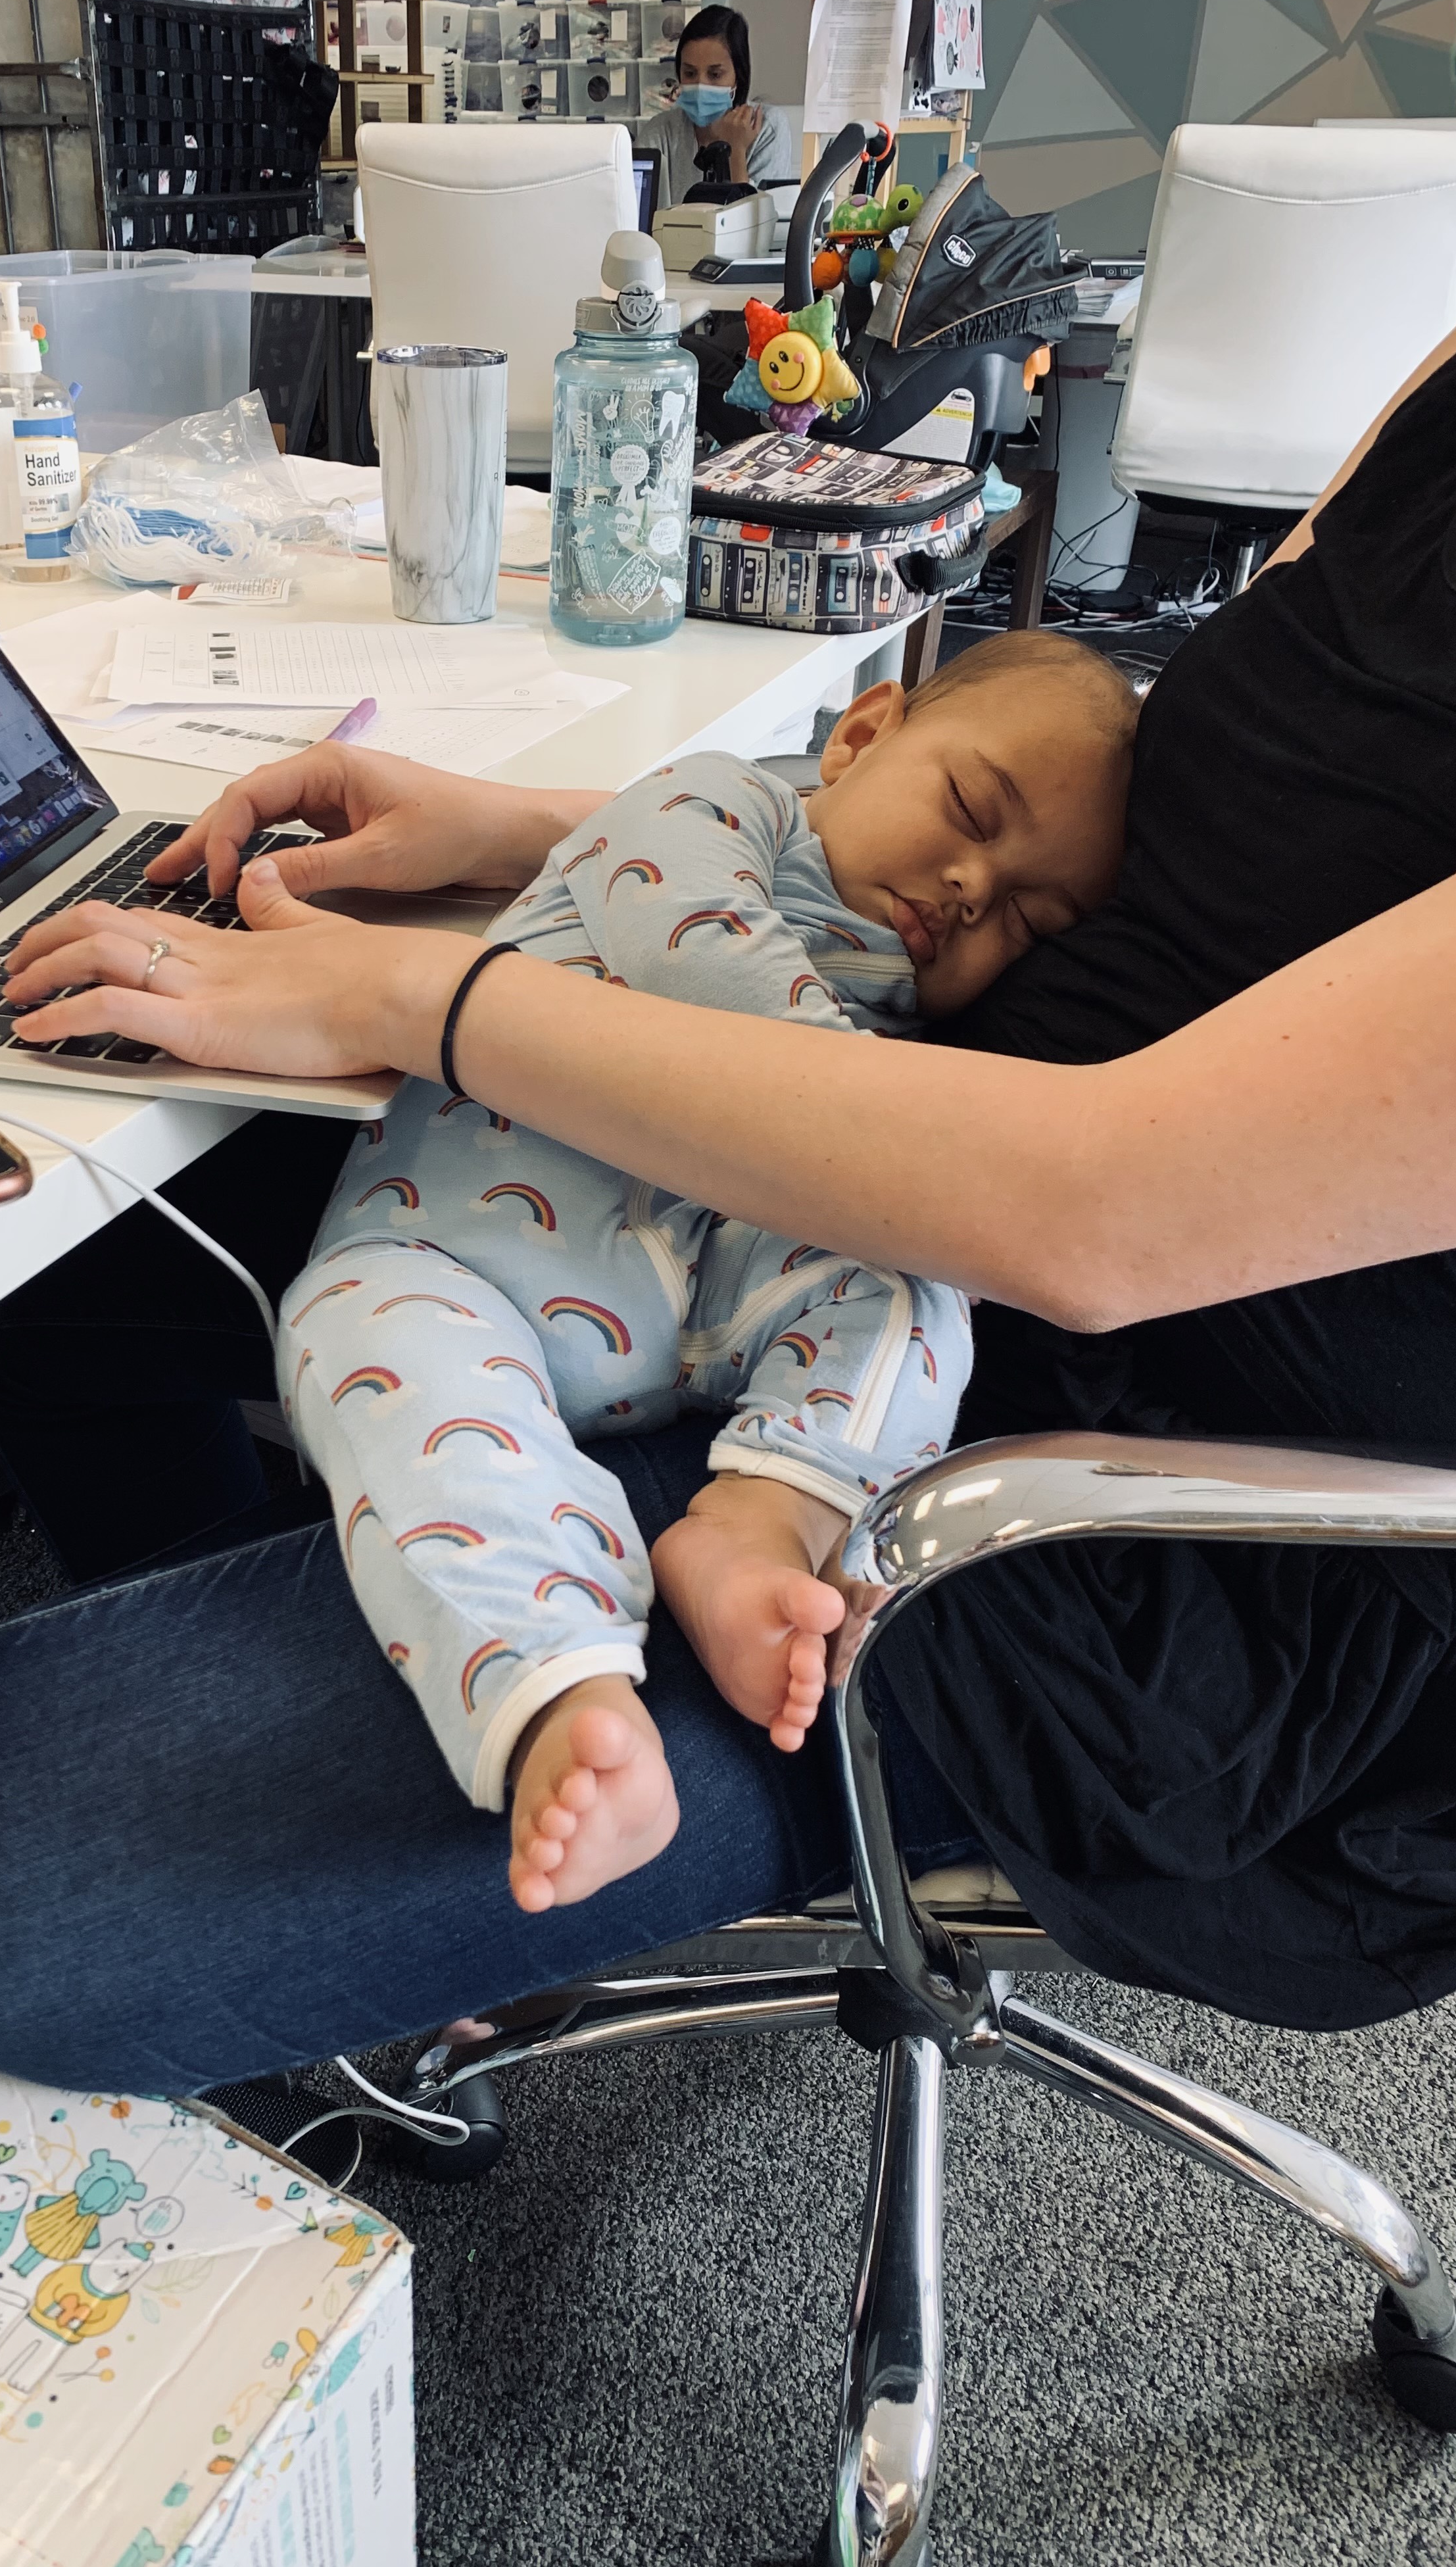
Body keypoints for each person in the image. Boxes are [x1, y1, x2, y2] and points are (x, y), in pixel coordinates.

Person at [0, 281, 1456, 2097]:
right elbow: (1204, 857)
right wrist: (562, 843)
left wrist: (430, 998)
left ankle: (592, 1621)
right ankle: (420, 1655)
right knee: (53, 1233)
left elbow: (1108, 1217)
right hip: (891, 1160)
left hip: (1145, 1499)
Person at [283, 640, 1130, 1911]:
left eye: (1026, 919)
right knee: (372, 1354)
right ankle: (557, 1692)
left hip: (720, 1285)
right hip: (467, 1258)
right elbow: (705, 966)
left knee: (914, 1297)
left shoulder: (902, 1005)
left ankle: (756, 1521)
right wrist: (890, 1113)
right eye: (966, 812)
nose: (968, 887)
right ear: (859, 736)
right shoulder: (708, 804)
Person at [651, 6, 792, 209]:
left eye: (715, 75)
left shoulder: (767, 128)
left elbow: (756, 228)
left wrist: (736, 150)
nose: (701, 85)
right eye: (690, 73)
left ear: (738, 77)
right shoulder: (662, 132)